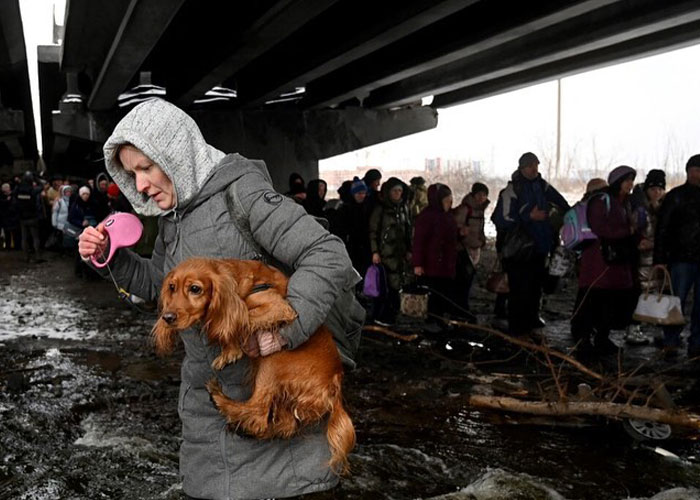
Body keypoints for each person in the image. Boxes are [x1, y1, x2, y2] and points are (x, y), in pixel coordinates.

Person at [78, 98, 364, 500]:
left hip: (276, 418)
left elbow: (327, 254)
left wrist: (284, 333)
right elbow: (162, 291)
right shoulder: (172, 222)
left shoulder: (242, 194)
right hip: (207, 416)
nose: (139, 184)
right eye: (131, 173)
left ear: (174, 154)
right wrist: (108, 257)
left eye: (146, 167)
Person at [492, 152, 570, 337]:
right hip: (519, 250)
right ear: (521, 168)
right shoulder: (511, 190)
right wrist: (529, 217)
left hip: (541, 247)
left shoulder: (543, 187)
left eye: (536, 165)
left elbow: (563, 204)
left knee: (535, 287)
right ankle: (517, 327)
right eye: (530, 166)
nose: (534, 169)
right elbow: (502, 219)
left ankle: (532, 318)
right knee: (519, 289)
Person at [571, 166, 639, 358]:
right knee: (592, 301)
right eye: (627, 180)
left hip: (614, 263)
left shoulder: (622, 202)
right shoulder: (603, 201)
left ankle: (602, 338)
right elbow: (600, 227)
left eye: (631, 180)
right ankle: (583, 340)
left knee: (608, 303)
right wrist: (628, 231)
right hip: (599, 262)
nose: (630, 184)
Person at [654, 154, 700, 359]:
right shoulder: (676, 196)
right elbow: (662, 229)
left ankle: (696, 343)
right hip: (681, 258)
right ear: (687, 172)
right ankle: (670, 341)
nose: (696, 174)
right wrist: (660, 258)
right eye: (693, 170)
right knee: (675, 302)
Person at [625, 169, 666, 345]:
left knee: (658, 292)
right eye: (653, 189)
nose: (657, 192)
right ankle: (633, 329)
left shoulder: (662, 208)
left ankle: (659, 328)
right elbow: (634, 232)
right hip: (642, 260)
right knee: (640, 294)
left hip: (657, 259)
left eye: (660, 189)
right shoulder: (640, 209)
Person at [412, 183, 462, 317]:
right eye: (446, 201)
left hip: (446, 263)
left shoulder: (448, 215)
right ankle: (433, 321)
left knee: (445, 293)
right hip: (433, 264)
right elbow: (419, 241)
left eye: (451, 200)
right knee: (434, 294)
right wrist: (418, 264)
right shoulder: (426, 217)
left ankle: (441, 319)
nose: (449, 203)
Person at [368, 177, 412, 325]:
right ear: (388, 192)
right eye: (394, 191)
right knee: (384, 286)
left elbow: (408, 231)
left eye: (400, 190)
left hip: (399, 255)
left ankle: (391, 314)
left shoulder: (404, 208)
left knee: (397, 285)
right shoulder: (380, 209)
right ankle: (382, 315)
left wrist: (409, 250)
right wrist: (375, 252)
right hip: (385, 255)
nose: (397, 194)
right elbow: (373, 231)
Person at [453, 182, 489, 313]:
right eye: (479, 194)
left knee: (469, 278)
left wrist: (482, 239)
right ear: (473, 195)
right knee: (464, 279)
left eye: (484, 195)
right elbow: (456, 227)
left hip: (475, 247)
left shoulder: (480, 210)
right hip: (464, 248)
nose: (482, 198)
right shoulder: (465, 209)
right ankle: (460, 306)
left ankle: (462, 305)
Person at [334, 177, 373, 278]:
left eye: (364, 193)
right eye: (359, 193)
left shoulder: (368, 208)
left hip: (364, 248)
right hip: (351, 248)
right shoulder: (344, 210)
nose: (362, 196)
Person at [15, 171, 44, 262]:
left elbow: (14, 198)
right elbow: (41, 186)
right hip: (32, 216)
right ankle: (38, 256)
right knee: (35, 237)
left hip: (22, 217)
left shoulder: (18, 189)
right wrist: (36, 178)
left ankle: (25, 256)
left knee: (24, 238)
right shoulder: (32, 190)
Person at [0, 182, 21, 250]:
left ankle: (15, 246)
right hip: (7, 217)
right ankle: (9, 246)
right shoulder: (4, 197)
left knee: (14, 233)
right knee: (8, 233)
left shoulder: (13, 195)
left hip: (12, 217)